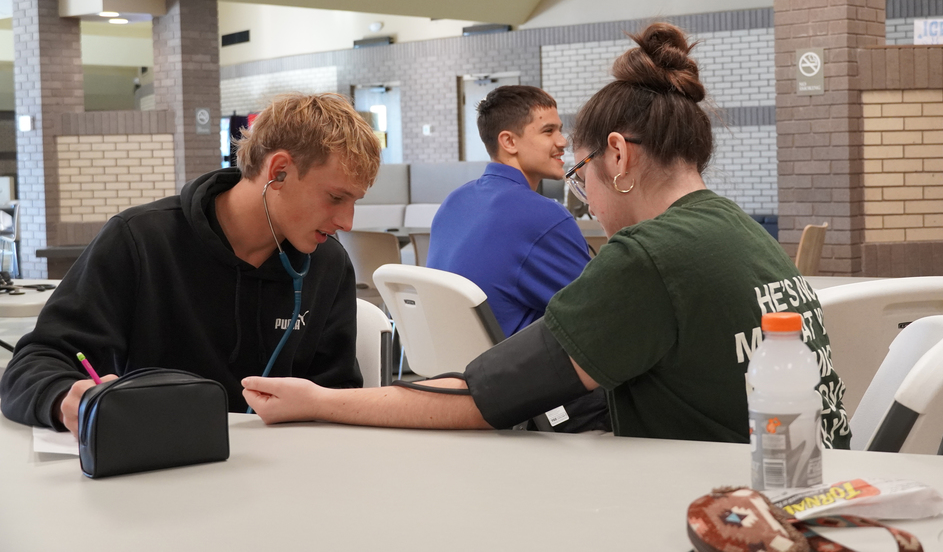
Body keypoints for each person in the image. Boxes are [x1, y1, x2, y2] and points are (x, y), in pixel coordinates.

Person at [242, 24, 851, 449]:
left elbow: (482, 398)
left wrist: (318, 401)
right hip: (804, 487)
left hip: (721, 505)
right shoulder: (744, 233)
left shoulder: (648, 258)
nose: (583, 197)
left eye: (579, 174)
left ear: (618, 156)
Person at [0, 93, 381, 437]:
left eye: (354, 202)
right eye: (335, 197)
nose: (347, 222)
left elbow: (338, 395)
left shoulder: (327, 264)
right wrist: (68, 398)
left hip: (281, 480)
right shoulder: (141, 241)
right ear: (278, 171)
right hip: (162, 474)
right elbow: (35, 365)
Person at [428, 85, 590, 338]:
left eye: (560, 129)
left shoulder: (455, 200)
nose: (563, 142)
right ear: (509, 141)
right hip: (517, 372)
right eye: (548, 131)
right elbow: (599, 309)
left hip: (453, 367)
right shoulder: (544, 216)